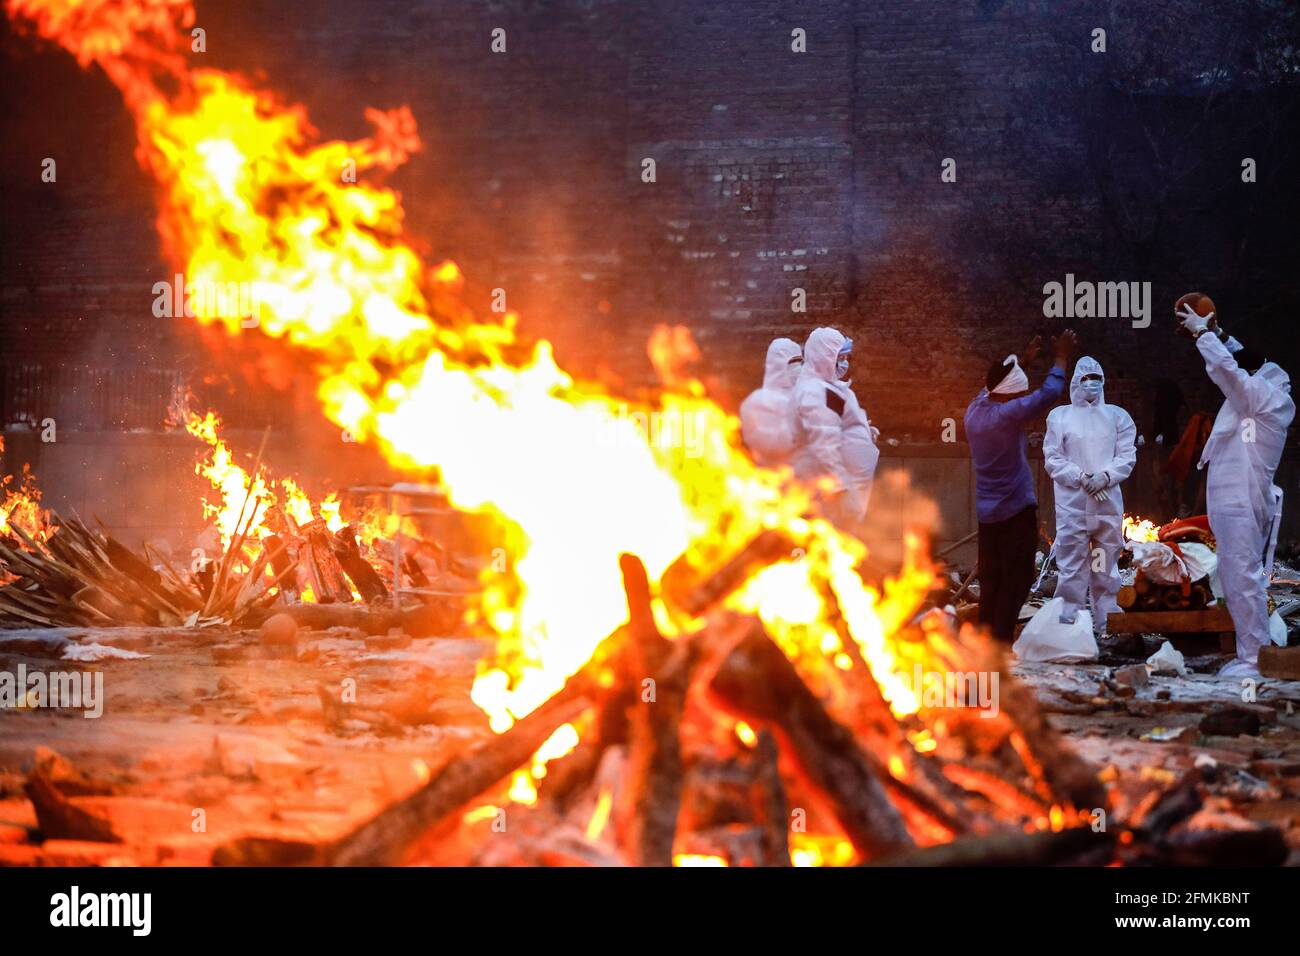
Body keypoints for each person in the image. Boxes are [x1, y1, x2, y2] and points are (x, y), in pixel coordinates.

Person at [1177, 302, 1295, 678]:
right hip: (1234, 501)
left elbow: (1234, 374)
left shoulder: (1270, 400)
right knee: (1234, 576)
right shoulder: (1262, 392)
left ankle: (1254, 657)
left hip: (1243, 501)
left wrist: (1203, 335)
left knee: (1242, 577)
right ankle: (1251, 651)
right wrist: (1222, 334)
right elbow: (1244, 362)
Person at [964, 329, 1077, 642]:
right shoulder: (1007, 415)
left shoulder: (975, 410)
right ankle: (999, 645)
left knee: (991, 582)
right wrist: (1062, 355)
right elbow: (1050, 392)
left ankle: (985, 645)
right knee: (1017, 579)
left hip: (988, 516)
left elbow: (995, 384)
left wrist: (1022, 363)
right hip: (1015, 512)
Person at [1042, 356, 1137, 635]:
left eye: (1097, 377)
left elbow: (1127, 455)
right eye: (1086, 378)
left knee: (1105, 567)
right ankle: (1069, 630)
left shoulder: (1118, 416)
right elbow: (1053, 457)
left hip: (1107, 503)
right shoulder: (1060, 416)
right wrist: (1080, 477)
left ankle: (1107, 625)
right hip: (1073, 504)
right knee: (1071, 568)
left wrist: (1106, 476)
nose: (1092, 383)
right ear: (1075, 382)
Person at [790, 327, 879, 522]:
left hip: (841, 492)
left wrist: (863, 431)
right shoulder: (815, 391)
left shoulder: (828, 388)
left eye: (847, 357)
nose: (845, 363)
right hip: (830, 497)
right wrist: (839, 488)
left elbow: (836, 424)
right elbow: (822, 442)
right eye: (841, 357)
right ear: (825, 357)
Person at [739, 338, 802, 466]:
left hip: (808, 479)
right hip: (766, 476)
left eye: (800, 361)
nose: (797, 367)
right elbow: (767, 443)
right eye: (792, 362)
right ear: (778, 364)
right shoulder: (754, 402)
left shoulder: (807, 398)